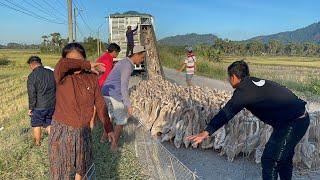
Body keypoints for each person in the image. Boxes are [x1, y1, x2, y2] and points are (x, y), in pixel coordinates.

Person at [187, 60, 310, 180]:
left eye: (229, 77)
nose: (228, 80)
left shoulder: (243, 91)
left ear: (234, 77)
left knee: (270, 160)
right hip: (299, 118)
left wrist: (206, 132)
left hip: (292, 123)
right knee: (284, 157)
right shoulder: (252, 82)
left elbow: (226, 112)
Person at [49, 43, 115, 180]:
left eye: (80, 59)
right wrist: (85, 64)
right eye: (73, 61)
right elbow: (63, 64)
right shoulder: (61, 75)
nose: (77, 64)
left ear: (84, 58)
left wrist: (108, 127)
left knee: (84, 167)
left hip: (83, 131)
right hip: (62, 131)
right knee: (61, 171)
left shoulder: (91, 78)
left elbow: (100, 103)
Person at [102, 45, 146, 151]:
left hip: (106, 91)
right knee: (122, 120)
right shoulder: (128, 65)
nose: (142, 60)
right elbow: (123, 85)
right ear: (136, 55)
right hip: (114, 93)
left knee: (110, 117)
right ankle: (114, 146)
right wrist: (128, 104)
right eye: (142, 57)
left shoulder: (124, 62)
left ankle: (103, 139)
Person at [90, 43, 120, 136]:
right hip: (102, 86)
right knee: (105, 109)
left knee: (95, 107)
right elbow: (108, 76)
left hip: (97, 84)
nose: (117, 55)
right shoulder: (108, 60)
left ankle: (93, 125)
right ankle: (104, 133)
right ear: (114, 51)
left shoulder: (105, 57)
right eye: (117, 52)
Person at [27, 56, 55, 146]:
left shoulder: (32, 76)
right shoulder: (51, 73)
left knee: (36, 124)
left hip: (39, 106)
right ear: (40, 63)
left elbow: (32, 94)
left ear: (32, 65)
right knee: (49, 122)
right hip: (52, 105)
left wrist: (31, 108)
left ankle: (37, 143)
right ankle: (54, 142)